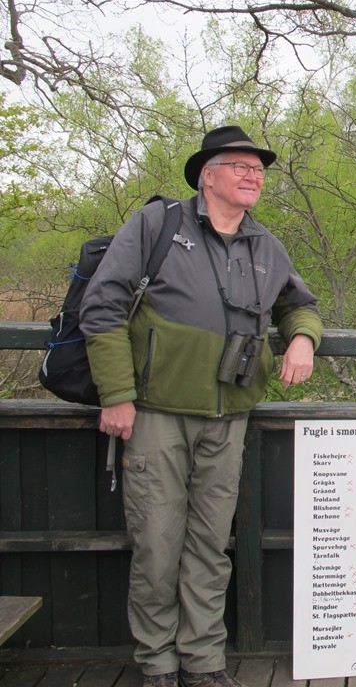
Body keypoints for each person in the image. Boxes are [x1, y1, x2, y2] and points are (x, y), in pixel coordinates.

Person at [80, 126, 324, 687]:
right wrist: (117, 395)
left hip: (229, 418)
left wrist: (304, 339)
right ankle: (158, 664)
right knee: (156, 546)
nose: (253, 175)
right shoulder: (158, 225)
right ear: (207, 175)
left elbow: (301, 305)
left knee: (211, 547)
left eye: (258, 169)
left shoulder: (266, 246)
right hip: (156, 414)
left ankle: (204, 662)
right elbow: (103, 306)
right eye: (240, 166)